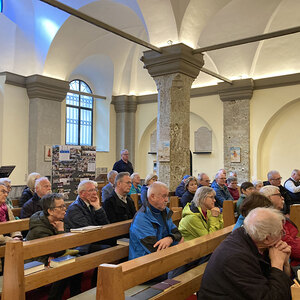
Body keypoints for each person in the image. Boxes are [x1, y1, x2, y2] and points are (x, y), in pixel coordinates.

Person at [198, 207, 293, 299]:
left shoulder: (254, 239)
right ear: (267, 238)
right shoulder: (237, 258)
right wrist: (277, 265)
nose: (283, 235)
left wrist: (285, 265)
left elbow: (282, 288)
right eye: (281, 232)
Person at [26, 193, 81, 299]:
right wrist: (60, 231)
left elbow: (61, 247)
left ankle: (76, 295)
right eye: (60, 207)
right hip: (36, 259)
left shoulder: (57, 220)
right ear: (50, 211)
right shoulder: (39, 228)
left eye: (64, 205)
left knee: (77, 261)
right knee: (63, 266)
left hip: (49, 255)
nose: (64, 209)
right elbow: (59, 250)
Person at [129, 181, 182, 260]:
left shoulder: (165, 211)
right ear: (152, 196)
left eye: (167, 196)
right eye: (164, 196)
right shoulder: (142, 218)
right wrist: (174, 241)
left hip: (162, 258)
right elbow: (154, 248)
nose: (167, 200)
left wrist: (169, 238)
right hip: (143, 262)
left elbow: (177, 234)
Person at [64, 180, 110, 254]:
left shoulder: (91, 205)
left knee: (117, 241)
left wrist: (98, 208)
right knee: (108, 248)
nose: (95, 193)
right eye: (91, 190)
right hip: (81, 245)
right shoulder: (74, 208)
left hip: (92, 240)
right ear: (82, 193)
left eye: (95, 189)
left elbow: (105, 224)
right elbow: (88, 229)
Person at [261, 185, 300, 266]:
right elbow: (290, 245)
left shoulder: (277, 216)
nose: (282, 198)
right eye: (279, 195)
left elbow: (293, 239)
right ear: (269, 198)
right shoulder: (269, 220)